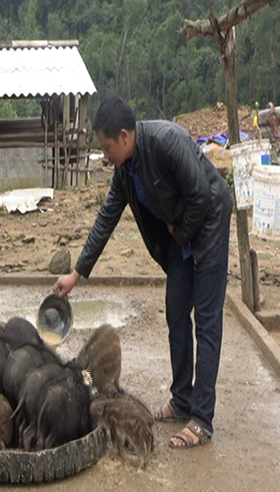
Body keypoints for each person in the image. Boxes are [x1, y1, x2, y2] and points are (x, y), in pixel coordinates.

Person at [54, 95, 233, 449]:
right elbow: (106, 219)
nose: (104, 156)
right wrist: (76, 274)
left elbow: (202, 196)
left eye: (106, 148)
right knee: (176, 313)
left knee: (208, 321)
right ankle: (182, 399)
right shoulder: (125, 171)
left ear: (124, 136)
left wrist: (178, 233)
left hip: (208, 222)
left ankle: (202, 419)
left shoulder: (167, 142)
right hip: (180, 233)